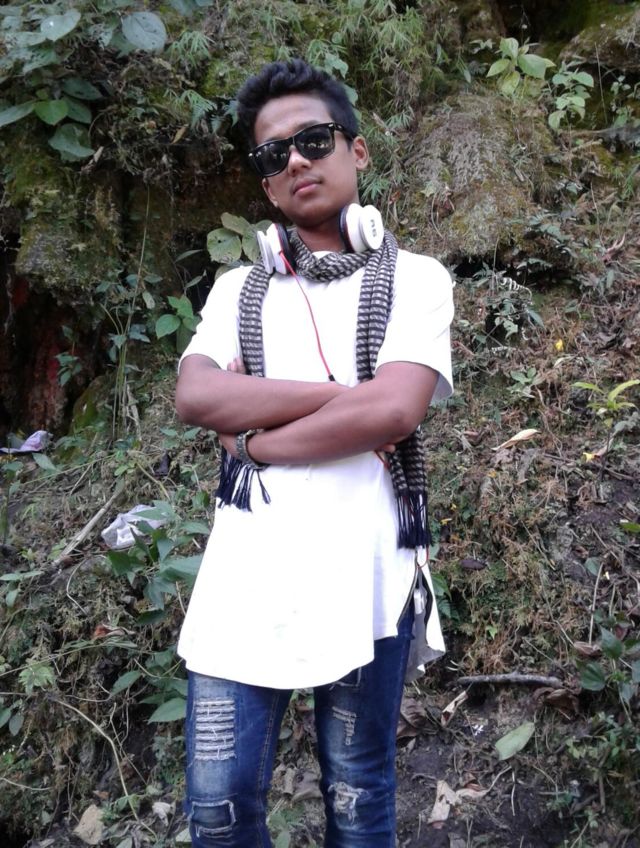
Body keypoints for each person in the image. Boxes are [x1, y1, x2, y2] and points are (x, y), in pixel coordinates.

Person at [175, 58, 454, 848]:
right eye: (274, 154)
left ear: (355, 151)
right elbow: (196, 395)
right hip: (244, 582)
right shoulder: (238, 292)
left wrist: (254, 439)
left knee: (359, 797)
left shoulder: (417, 280)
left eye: (314, 140)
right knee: (217, 810)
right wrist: (346, 402)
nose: (296, 159)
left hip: (367, 577)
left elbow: (396, 408)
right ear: (267, 187)